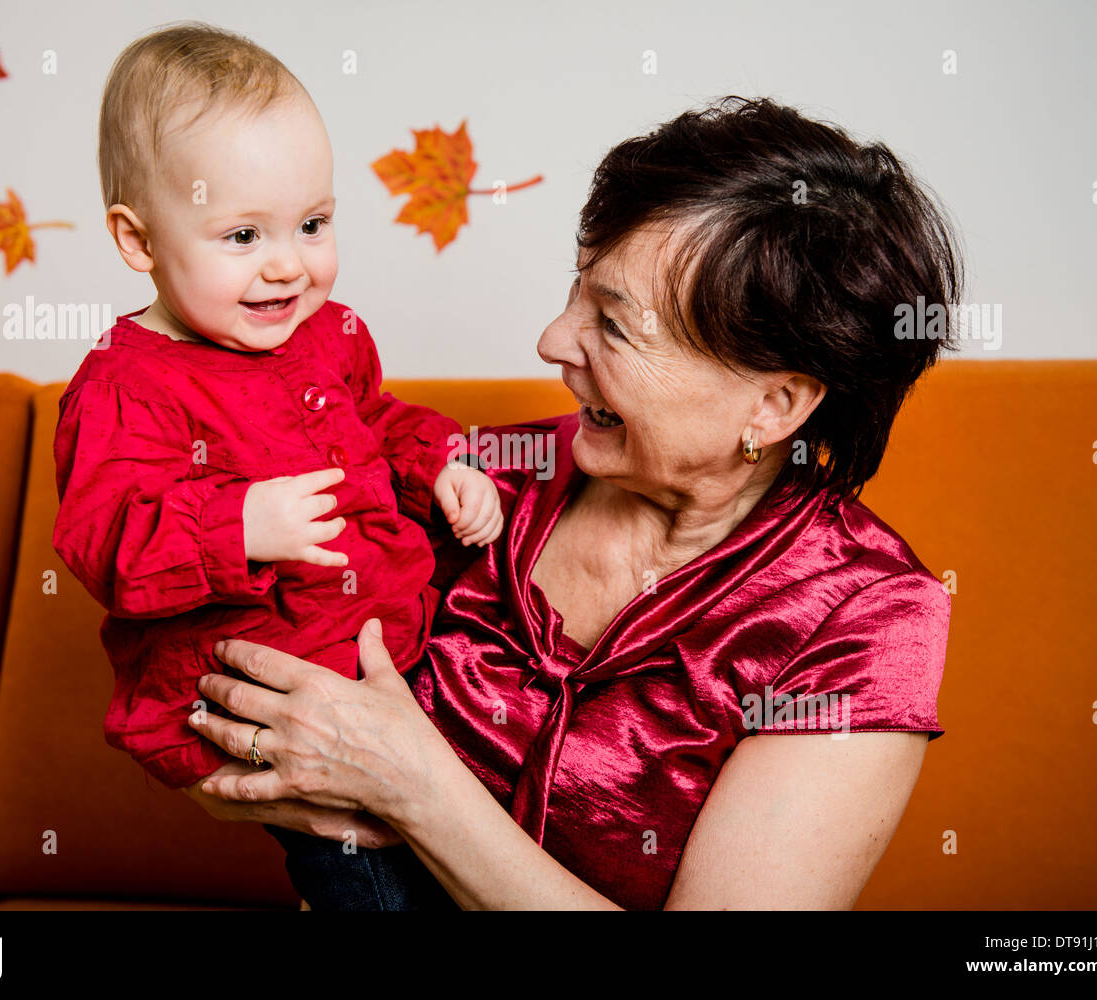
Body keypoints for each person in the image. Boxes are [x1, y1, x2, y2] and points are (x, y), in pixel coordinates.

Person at [183, 95, 964, 910]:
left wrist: (412, 783)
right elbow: (220, 699)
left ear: (773, 407)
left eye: (616, 326)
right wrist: (240, 765)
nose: (553, 341)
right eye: (577, 291)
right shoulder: (478, 483)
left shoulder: (865, 616)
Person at [51, 23, 502, 912]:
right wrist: (237, 526)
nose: (288, 265)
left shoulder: (327, 335)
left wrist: (444, 464)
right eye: (243, 235)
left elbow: (379, 420)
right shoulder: (124, 383)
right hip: (268, 700)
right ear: (138, 242)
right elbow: (104, 539)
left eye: (311, 224)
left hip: (393, 652)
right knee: (370, 876)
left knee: (478, 830)